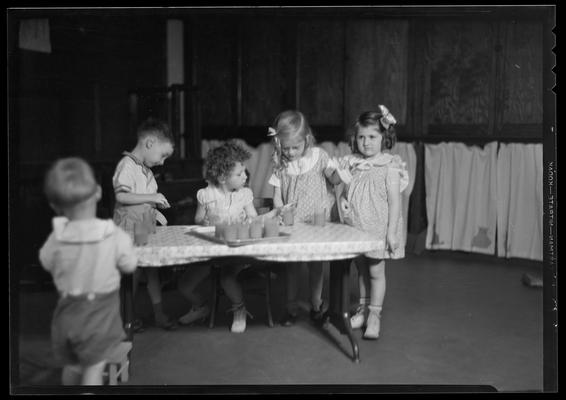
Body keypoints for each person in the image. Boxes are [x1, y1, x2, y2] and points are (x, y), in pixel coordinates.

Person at [38, 157, 138, 385]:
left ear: (55, 206)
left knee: (73, 367)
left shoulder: (58, 235)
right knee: (93, 371)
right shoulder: (113, 234)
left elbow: (45, 261)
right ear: (99, 193)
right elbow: (130, 265)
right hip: (100, 318)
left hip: (67, 314)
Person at [331, 106, 409, 339]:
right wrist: (343, 199)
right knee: (361, 270)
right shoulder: (353, 162)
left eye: (372, 137)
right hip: (356, 226)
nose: (366, 142)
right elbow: (344, 187)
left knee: (376, 271)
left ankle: (375, 315)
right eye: (361, 137)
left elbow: (395, 202)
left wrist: (392, 233)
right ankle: (363, 310)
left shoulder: (390, 164)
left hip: (378, 228)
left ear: (384, 138)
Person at [177, 140, 262, 333]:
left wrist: (249, 220)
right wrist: (204, 222)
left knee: (226, 278)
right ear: (223, 177)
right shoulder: (206, 194)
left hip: (235, 249)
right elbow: (198, 219)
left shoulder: (244, 194)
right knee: (184, 285)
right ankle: (201, 307)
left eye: (244, 171)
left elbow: (253, 217)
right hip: (211, 250)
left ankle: (239, 310)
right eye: (239, 173)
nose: (245, 176)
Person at [267, 110, 337, 327]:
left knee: (316, 265)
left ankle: (316, 305)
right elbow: (277, 195)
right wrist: (280, 209)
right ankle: (291, 307)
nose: (290, 152)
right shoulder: (280, 162)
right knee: (292, 266)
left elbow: (334, 179)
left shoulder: (319, 156)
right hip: (293, 223)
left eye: (295, 147)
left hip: (316, 222)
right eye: (285, 147)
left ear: (306, 140)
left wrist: (342, 171)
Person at [112, 118, 175, 331]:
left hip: (144, 226)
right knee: (134, 271)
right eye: (163, 155)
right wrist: (155, 197)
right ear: (149, 143)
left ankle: (159, 314)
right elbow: (122, 196)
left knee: (151, 269)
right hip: (129, 229)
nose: (162, 162)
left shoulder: (146, 171)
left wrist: (157, 212)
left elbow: (145, 200)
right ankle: (125, 318)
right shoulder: (126, 165)